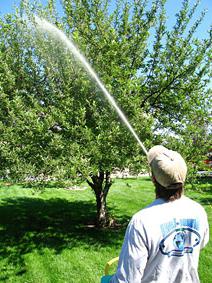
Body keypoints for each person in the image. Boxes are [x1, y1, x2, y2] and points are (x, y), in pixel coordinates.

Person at [101, 145, 209, 283]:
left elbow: (127, 279)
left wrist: (108, 280)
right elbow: (200, 243)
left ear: (153, 179)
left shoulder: (142, 221)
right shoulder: (198, 210)